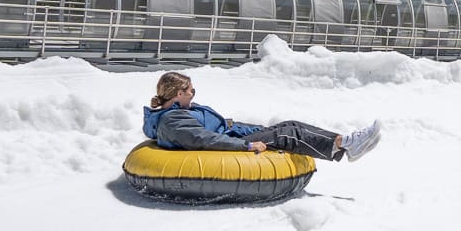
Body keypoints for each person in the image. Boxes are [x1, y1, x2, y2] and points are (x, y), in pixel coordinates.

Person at [141, 72, 381, 161]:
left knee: (288, 125)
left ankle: (344, 144)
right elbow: (206, 140)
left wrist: (253, 130)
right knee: (290, 133)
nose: (194, 94)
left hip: (231, 135)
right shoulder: (173, 120)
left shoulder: (183, 111)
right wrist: (246, 145)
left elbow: (225, 125)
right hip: (223, 147)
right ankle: (346, 145)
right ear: (179, 93)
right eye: (191, 90)